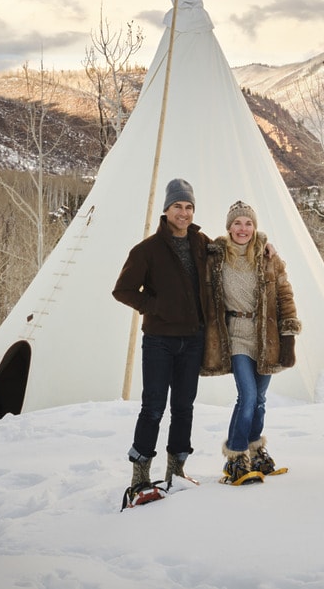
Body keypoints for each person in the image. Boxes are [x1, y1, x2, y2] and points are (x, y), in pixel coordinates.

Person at [113, 178, 213, 496]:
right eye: (177, 206)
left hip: (193, 339)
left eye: (188, 207)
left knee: (184, 407)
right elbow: (123, 290)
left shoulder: (201, 244)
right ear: (166, 209)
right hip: (159, 340)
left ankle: (176, 470)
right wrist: (155, 306)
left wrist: (265, 246)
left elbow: (236, 252)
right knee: (154, 406)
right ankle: (140, 473)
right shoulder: (147, 250)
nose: (183, 213)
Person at [203, 200, 302, 486]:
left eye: (248, 223)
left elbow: (285, 295)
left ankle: (257, 451)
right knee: (246, 396)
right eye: (237, 223)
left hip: (265, 336)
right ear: (229, 227)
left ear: (255, 227)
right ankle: (235, 456)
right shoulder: (216, 256)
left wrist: (288, 334)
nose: (242, 228)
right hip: (235, 334)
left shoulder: (269, 257)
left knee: (259, 400)